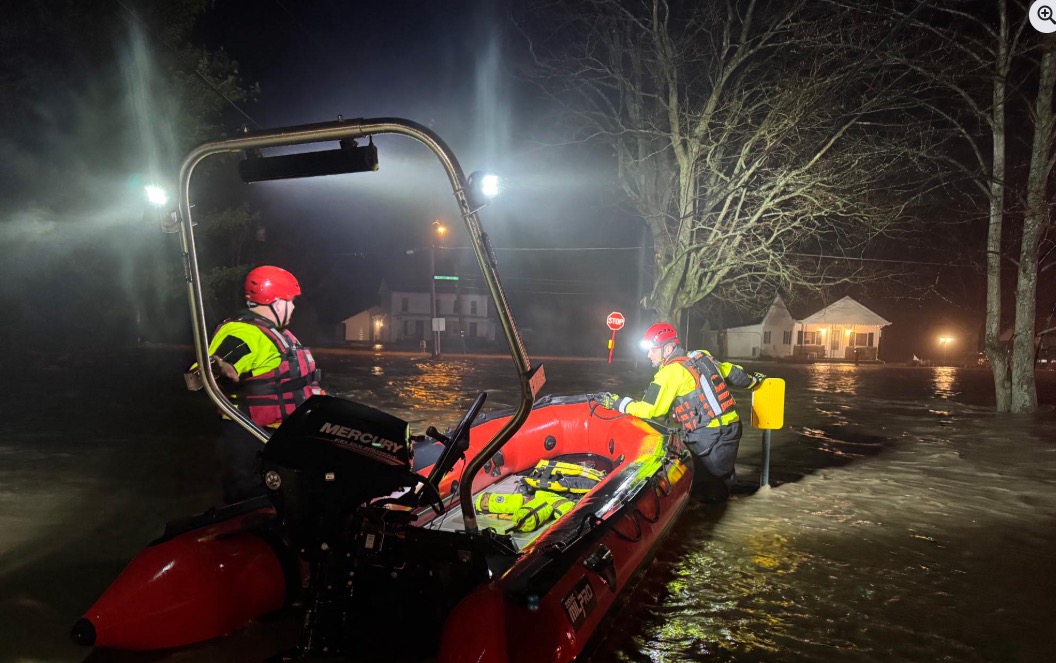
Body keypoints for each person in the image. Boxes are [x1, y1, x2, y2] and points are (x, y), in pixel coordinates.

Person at [191, 265, 324, 503]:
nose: (293, 306)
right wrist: (220, 366)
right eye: (290, 300)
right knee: (252, 505)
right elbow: (208, 369)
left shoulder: (275, 333)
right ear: (276, 302)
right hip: (250, 442)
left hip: (276, 438)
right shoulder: (244, 332)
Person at [599, 322, 765, 502]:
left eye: (653, 350)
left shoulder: (670, 373)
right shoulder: (702, 356)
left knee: (707, 489)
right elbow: (733, 372)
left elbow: (649, 410)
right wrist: (754, 382)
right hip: (731, 428)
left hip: (709, 435)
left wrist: (617, 403)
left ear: (669, 348)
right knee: (722, 478)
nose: (648, 355)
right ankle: (739, 498)